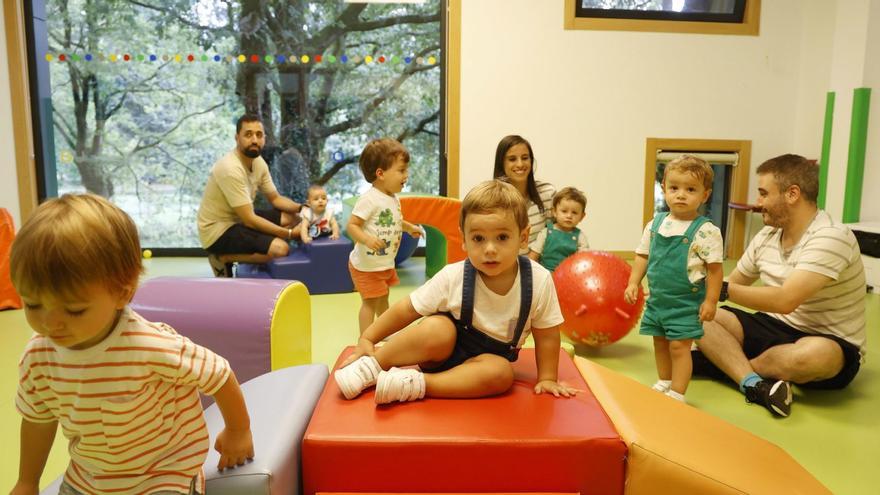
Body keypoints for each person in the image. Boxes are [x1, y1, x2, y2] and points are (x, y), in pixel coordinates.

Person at [9, 194, 253, 495]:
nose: (50, 323)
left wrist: (238, 431)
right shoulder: (38, 358)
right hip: (90, 476)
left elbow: (219, 373)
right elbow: (38, 420)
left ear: (122, 294)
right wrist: (27, 481)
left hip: (164, 471)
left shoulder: (151, 345)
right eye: (33, 305)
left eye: (74, 310)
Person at [334, 179, 579, 405]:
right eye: (479, 238)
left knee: (502, 374)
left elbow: (547, 335)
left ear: (523, 238)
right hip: (440, 353)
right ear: (464, 240)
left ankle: (413, 384)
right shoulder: (454, 276)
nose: (490, 249)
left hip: (483, 366)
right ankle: (374, 365)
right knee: (437, 329)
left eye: (502, 237)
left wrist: (547, 377)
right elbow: (407, 309)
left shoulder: (538, 280)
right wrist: (368, 339)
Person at [694, 154, 866, 418]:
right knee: (699, 315)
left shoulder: (832, 236)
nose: (758, 202)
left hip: (826, 340)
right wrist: (685, 291)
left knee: (814, 356)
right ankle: (754, 383)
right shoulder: (766, 235)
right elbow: (735, 282)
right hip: (769, 325)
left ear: (792, 194)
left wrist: (717, 288)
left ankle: (727, 367)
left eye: (763, 194)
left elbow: (786, 300)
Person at [624, 155, 723, 404]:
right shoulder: (655, 224)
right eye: (674, 188)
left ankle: (678, 393)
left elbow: (714, 270)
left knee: (679, 347)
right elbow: (642, 256)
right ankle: (665, 380)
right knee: (659, 342)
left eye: (690, 189)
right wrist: (633, 282)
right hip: (658, 299)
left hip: (685, 303)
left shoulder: (706, 231)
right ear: (664, 189)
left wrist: (711, 301)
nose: (681, 195)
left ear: (705, 195)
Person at [198, 114, 303, 277]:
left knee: (292, 218)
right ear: (237, 138)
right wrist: (288, 234)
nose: (254, 140)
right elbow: (249, 220)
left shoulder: (258, 162)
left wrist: (302, 208)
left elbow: (275, 199)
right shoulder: (230, 168)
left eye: (259, 135)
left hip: (239, 218)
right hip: (218, 231)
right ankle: (222, 257)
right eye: (248, 134)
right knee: (281, 249)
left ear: (264, 138)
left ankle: (262, 243)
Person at [347, 138, 422, 334]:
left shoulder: (393, 199)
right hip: (366, 266)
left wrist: (408, 227)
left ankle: (385, 334)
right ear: (380, 173)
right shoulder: (369, 199)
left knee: (383, 300)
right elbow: (352, 225)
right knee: (369, 303)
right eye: (401, 170)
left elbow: (395, 221)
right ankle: (364, 341)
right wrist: (367, 239)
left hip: (383, 263)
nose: (406, 175)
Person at [493, 135, 556, 253]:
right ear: (502, 163)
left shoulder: (547, 193)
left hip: (541, 268)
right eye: (512, 159)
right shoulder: (491, 200)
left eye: (525, 158)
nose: (520, 164)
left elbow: (559, 235)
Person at [528, 186, 590, 271]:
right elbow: (534, 255)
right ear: (554, 212)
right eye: (564, 211)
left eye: (574, 213)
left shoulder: (580, 237)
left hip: (569, 275)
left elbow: (584, 260)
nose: (569, 216)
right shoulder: (546, 232)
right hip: (546, 275)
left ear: (582, 217)